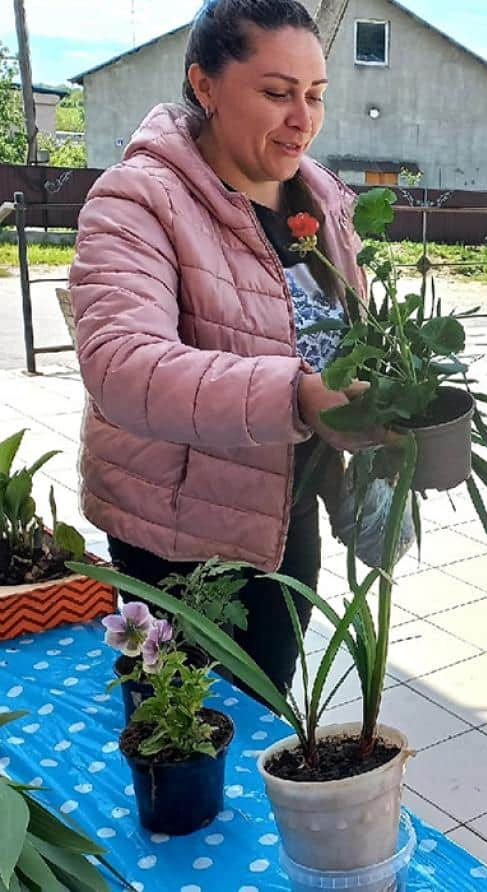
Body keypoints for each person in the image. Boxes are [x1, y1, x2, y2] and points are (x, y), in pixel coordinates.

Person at [68, 0, 383, 698]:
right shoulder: (138, 201)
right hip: (174, 535)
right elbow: (122, 365)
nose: (302, 117)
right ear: (205, 85)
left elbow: (344, 336)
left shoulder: (321, 199)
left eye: (315, 95)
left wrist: (381, 412)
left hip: (283, 517)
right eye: (276, 93)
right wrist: (296, 394)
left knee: (268, 705)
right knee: (180, 744)